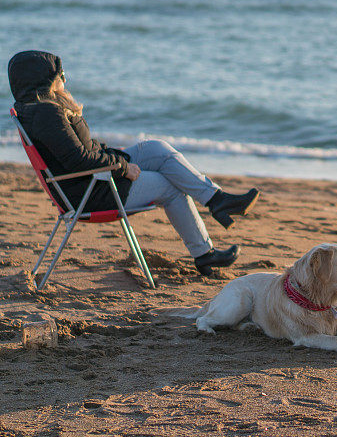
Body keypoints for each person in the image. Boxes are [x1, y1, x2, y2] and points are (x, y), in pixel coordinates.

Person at [8, 50, 260, 275]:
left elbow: (84, 151)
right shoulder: (47, 113)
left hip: (91, 180)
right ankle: (204, 254)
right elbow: (78, 159)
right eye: (61, 73)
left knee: (155, 148)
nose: (65, 78)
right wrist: (123, 167)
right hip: (91, 191)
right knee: (170, 186)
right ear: (45, 79)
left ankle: (217, 200)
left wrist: (116, 158)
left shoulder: (39, 108)